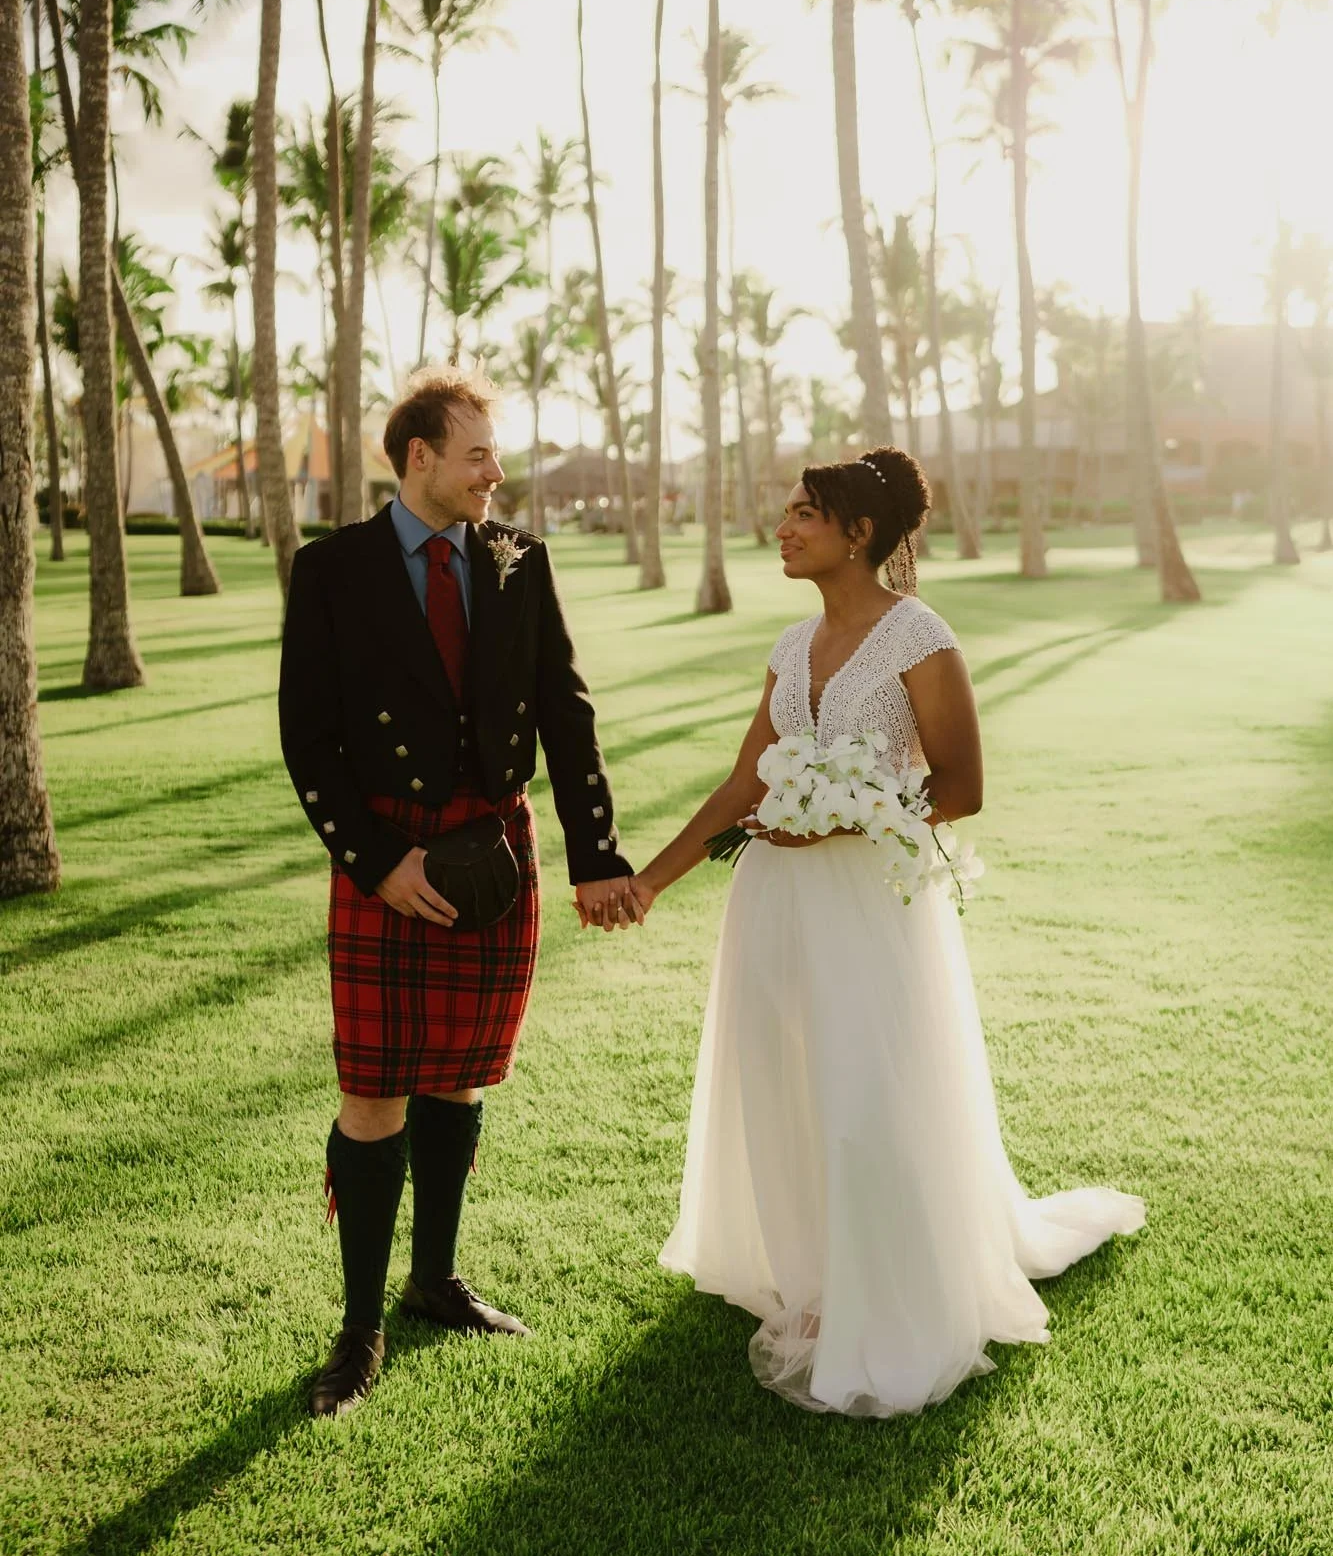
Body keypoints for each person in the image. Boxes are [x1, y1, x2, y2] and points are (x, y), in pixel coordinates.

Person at [630, 447, 1145, 1417]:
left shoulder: (918, 634)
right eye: (786, 512)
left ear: (858, 532)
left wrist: (837, 820)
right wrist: (650, 879)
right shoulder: (791, 644)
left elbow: (961, 785)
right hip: (774, 899)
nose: (782, 527)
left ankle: (889, 1289)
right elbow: (745, 781)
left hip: (868, 905)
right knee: (788, 1082)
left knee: (865, 1094)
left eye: (802, 512)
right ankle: (815, 1272)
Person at [279, 370, 640, 1418]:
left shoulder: (519, 559)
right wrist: (375, 861)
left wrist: (597, 854)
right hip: (390, 851)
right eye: (477, 453)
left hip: (495, 848)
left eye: (495, 453)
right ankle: (360, 1326)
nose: (496, 471)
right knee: (375, 1091)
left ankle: (433, 1280)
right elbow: (310, 736)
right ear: (419, 457)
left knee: (461, 1077)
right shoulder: (334, 567)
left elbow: (565, 711)